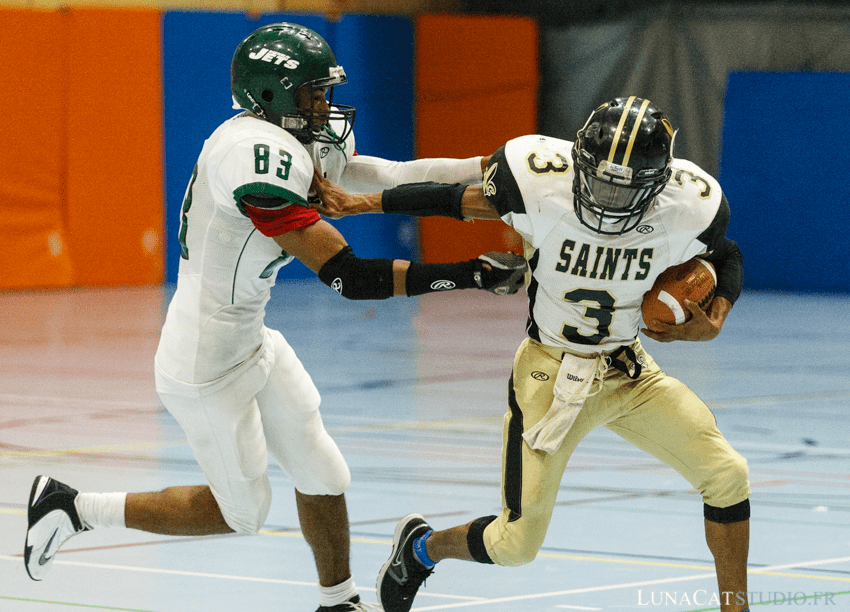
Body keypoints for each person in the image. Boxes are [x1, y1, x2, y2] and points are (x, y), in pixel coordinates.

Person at [22, 23, 526, 612]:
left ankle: (338, 603)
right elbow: (349, 277)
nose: (325, 107)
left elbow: (386, 176)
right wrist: (467, 274)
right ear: (272, 96)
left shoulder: (285, 141)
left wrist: (481, 166)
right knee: (243, 513)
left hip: (250, 337)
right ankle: (72, 506)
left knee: (324, 471)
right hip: (204, 360)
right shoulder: (251, 157)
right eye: (313, 94)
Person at [309, 96, 752, 612]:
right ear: (579, 156)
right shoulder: (540, 179)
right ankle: (421, 548)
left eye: (623, 188)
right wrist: (360, 203)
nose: (607, 198)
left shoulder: (690, 204)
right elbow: (460, 199)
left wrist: (714, 319)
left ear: (658, 182)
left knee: (728, 475)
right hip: (551, 373)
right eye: (601, 180)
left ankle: (735, 606)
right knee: (514, 545)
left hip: (630, 371)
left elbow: (726, 253)